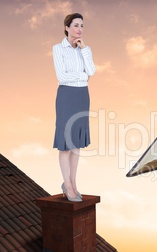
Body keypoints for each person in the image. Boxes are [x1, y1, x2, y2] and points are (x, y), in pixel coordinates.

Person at [52, 13, 96, 202]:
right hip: (67, 95)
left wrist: (84, 50)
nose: (79, 29)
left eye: (82, 26)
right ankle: (66, 184)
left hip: (82, 96)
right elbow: (62, 76)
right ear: (67, 28)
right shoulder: (57, 49)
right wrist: (82, 76)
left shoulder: (85, 50)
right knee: (65, 143)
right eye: (76, 25)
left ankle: (73, 182)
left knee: (76, 143)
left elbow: (92, 71)